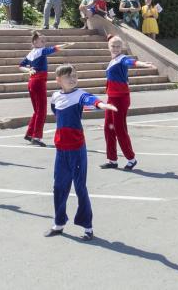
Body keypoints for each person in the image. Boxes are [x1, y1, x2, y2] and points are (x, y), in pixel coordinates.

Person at [44, 64, 117, 241]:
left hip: (77, 148)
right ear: (58, 80)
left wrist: (102, 104)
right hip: (61, 148)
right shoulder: (55, 96)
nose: (73, 78)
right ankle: (59, 223)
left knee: (80, 187)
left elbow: (89, 99)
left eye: (74, 75)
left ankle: (88, 227)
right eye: (68, 76)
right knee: (58, 187)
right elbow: (55, 111)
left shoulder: (79, 94)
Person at [100, 35, 156, 170]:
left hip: (120, 99)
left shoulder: (122, 59)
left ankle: (131, 158)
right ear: (109, 47)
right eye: (113, 46)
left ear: (122, 48)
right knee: (108, 128)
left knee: (119, 128)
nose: (115, 48)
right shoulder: (112, 60)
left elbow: (131, 62)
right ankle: (112, 160)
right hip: (112, 98)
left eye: (118, 46)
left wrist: (143, 64)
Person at [19, 32, 74, 147]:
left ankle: (30, 133)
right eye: (42, 41)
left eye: (44, 40)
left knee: (37, 111)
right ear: (35, 42)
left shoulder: (31, 53)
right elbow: (53, 49)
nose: (44, 42)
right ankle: (36, 137)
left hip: (32, 83)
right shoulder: (41, 51)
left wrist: (28, 70)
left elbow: (20, 66)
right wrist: (66, 45)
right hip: (38, 82)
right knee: (42, 111)